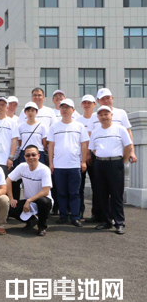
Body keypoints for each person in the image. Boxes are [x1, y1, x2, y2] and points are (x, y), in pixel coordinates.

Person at [89, 106, 134, 235]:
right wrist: (101, 157)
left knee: (116, 194)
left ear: (111, 115)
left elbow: (128, 146)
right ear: (98, 117)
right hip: (99, 164)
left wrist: (121, 161)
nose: (104, 117)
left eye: (106, 114)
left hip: (115, 163)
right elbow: (93, 149)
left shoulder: (120, 129)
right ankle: (107, 221)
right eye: (101, 115)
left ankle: (119, 223)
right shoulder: (95, 132)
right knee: (102, 194)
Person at [47, 98, 89, 226]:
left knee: (74, 193)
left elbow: (84, 145)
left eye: (67, 107)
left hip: (74, 165)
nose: (64, 109)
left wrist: (83, 161)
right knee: (61, 193)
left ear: (73, 110)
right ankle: (63, 215)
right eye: (62, 107)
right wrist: (51, 163)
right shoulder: (54, 127)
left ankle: (75, 216)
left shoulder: (79, 126)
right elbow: (51, 146)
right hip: (59, 166)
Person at [6, 145, 53, 236]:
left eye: (33, 155)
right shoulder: (22, 166)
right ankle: (31, 220)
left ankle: (41, 227)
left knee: (43, 201)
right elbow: (8, 180)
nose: (31, 157)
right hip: (29, 201)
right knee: (9, 208)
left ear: (38, 156)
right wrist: (11, 199)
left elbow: (46, 191)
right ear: (24, 157)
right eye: (28, 155)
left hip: (43, 201)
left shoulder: (44, 170)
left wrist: (29, 200)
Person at [87, 88, 137, 163]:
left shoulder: (121, 113)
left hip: (117, 155)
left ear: (112, 98)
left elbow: (128, 132)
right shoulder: (94, 116)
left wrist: (132, 152)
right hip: (98, 156)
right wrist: (88, 154)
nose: (106, 101)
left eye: (108, 98)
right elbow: (90, 136)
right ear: (98, 101)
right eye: (103, 99)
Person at [77, 94, 100, 222]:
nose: (87, 105)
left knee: (96, 186)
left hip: (94, 157)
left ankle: (96, 213)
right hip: (80, 158)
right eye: (84, 102)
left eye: (89, 103)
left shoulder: (98, 118)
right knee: (79, 187)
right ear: (81, 105)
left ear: (94, 104)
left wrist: (90, 154)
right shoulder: (77, 120)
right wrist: (84, 157)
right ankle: (79, 211)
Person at [0, 97, 18, 174]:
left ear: (7, 107)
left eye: (3, 105)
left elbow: (14, 142)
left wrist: (11, 158)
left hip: (5, 160)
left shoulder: (12, 122)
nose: (0, 107)